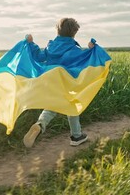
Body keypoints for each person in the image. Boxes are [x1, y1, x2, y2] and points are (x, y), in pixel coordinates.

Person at [22, 18, 94, 148]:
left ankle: (40, 125)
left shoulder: (51, 47)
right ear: (74, 33)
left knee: (52, 106)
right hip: (65, 83)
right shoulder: (74, 48)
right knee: (72, 105)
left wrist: (31, 43)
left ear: (57, 31)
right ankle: (76, 136)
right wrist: (92, 49)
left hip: (49, 82)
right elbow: (85, 60)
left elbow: (38, 56)